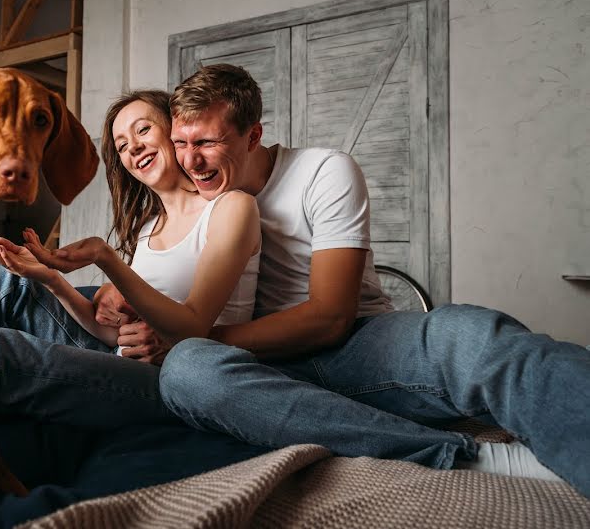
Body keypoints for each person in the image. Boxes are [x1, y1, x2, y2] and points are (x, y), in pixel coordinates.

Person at [42, 63, 587, 496]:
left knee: (474, 336)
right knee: (189, 375)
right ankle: (453, 453)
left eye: (207, 143)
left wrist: (186, 336)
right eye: (181, 143)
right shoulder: (187, 200)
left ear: (253, 135)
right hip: (259, 363)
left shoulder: (324, 171)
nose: (191, 161)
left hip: (360, 342)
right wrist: (117, 299)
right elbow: (172, 285)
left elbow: (330, 318)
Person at [0, 90, 259, 447]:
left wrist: (105, 259)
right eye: (123, 145)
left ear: (176, 128)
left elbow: (192, 328)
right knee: (3, 275)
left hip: (167, 385)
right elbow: (113, 334)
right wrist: (50, 279)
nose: (134, 148)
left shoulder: (227, 207)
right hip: (120, 359)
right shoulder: (149, 229)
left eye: (144, 130)